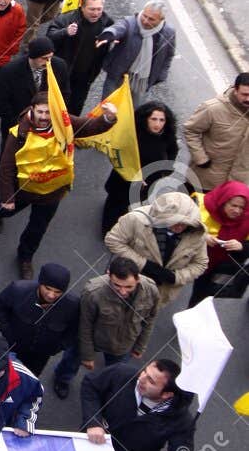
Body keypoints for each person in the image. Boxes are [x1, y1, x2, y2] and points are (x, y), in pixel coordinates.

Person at [0, 93, 116, 277]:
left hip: (52, 192)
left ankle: (25, 258)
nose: (44, 117)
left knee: (37, 229)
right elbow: (7, 166)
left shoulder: (64, 123)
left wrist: (108, 118)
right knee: (7, 210)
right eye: (40, 112)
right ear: (32, 110)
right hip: (25, 190)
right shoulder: (19, 133)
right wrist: (7, 197)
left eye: (48, 112)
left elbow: (89, 126)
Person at [81, 356, 197, 451]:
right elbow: (91, 385)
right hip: (89, 445)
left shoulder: (181, 421)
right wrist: (93, 422)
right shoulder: (121, 373)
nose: (141, 378)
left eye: (151, 381)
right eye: (145, 371)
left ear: (167, 394)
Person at [57, 256, 161, 398]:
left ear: (138, 279)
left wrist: (140, 346)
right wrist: (87, 355)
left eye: (128, 287)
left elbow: (150, 318)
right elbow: (84, 325)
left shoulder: (151, 290)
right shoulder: (93, 292)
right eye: (117, 285)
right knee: (71, 361)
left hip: (124, 344)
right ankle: (62, 380)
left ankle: (102, 389)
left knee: (114, 373)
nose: (123, 291)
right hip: (94, 339)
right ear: (108, 275)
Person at [104, 191, 208, 304]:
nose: (179, 227)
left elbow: (200, 263)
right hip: (125, 280)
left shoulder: (197, 235)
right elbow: (113, 240)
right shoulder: (136, 219)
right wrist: (144, 264)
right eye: (174, 221)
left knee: (145, 313)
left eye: (184, 224)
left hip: (160, 293)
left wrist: (176, 277)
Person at [101, 98, 178, 235]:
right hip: (124, 179)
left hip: (147, 182)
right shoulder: (132, 134)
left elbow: (172, 153)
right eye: (153, 119)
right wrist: (133, 175)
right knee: (115, 205)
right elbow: (120, 154)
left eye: (162, 120)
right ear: (145, 118)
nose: (158, 124)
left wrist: (164, 171)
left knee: (131, 204)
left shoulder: (167, 136)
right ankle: (108, 232)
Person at [0, 263, 79, 379]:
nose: (51, 295)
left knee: (30, 377)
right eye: (48, 288)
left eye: (58, 292)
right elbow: (1, 306)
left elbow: (73, 330)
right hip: (13, 346)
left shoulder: (72, 305)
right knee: (3, 372)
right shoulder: (17, 290)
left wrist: (58, 347)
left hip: (41, 355)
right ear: (40, 282)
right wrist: (6, 331)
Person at [48, 0, 112, 113]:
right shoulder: (67, 19)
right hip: (63, 74)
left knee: (76, 108)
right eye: (92, 9)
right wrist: (65, 32)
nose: (96, 13)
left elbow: (116, 35)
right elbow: (49, 36)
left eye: (99, 9)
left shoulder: (107, 23)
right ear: (82, 7)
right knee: (56, 106)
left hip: (85, 77)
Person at [182, 74, 249, 189]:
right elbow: (190, 130)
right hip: (204, 180)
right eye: (245, 94)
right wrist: (200, 158)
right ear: (235, 90)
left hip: (236, 186)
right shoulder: (212, 108)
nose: (248, 99)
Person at [98, 2, 175, 99]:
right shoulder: (129, 23)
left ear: (161, 19)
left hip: (142, 82)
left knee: (135, 108)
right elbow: (118, 28)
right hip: (118, 76)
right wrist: (109, 35)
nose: (145, 21)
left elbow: (168, 55)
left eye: (151, 19)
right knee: (108, 105)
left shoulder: (169, 33)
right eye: (144, 16)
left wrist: (161, 75)